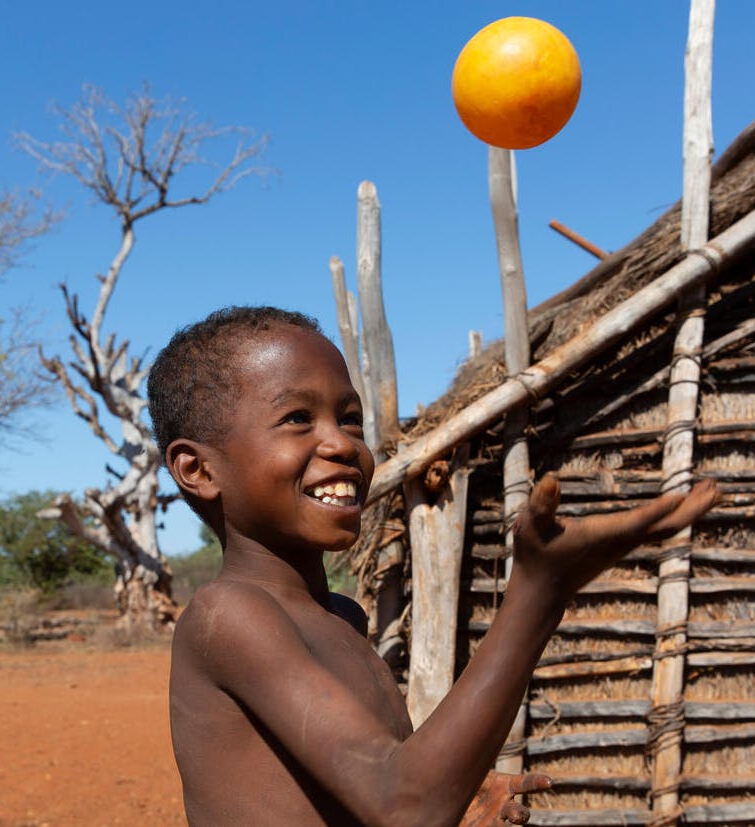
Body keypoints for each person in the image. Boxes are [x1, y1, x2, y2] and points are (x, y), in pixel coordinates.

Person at [147, 306, 717, 826]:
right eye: (298, 418)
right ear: (198, 470)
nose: (343, 444)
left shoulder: (340, 618)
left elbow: (388, 785)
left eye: (349, 419)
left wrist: (456, 795)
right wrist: (540, 593)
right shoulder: (229, 615)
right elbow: (405, 808)